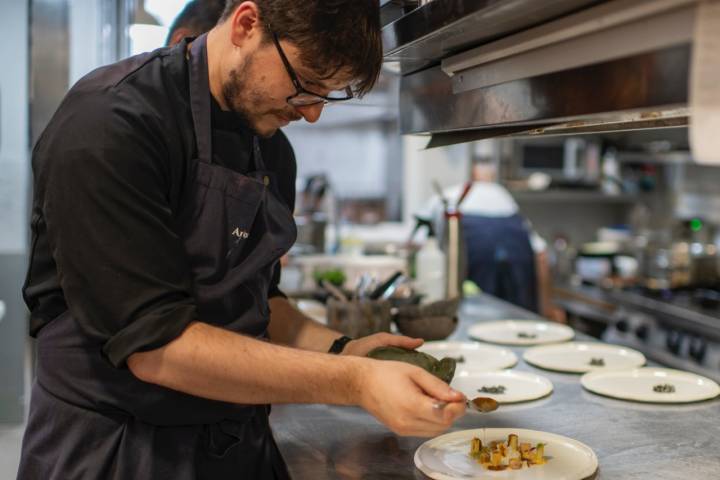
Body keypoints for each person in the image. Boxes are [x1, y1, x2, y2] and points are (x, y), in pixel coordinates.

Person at [17, 2, 466, 479]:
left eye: (327, 95)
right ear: (247, 25)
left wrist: (343, 351)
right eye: (306, 83)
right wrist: (355, 381)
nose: (312, 113)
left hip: (235, 446)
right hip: (114, 448)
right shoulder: (110, 124)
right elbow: (155, 345)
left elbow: (258, 302)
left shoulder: (271, 148)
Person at [420, 161, 565, 321]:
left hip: (475, 261)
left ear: (470, 174)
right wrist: (547, 309)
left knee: (473, 317)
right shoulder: (502, 194)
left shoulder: (445, 195)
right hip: (516, 261)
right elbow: (541, 256)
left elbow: (419, 244)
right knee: (518, 322)